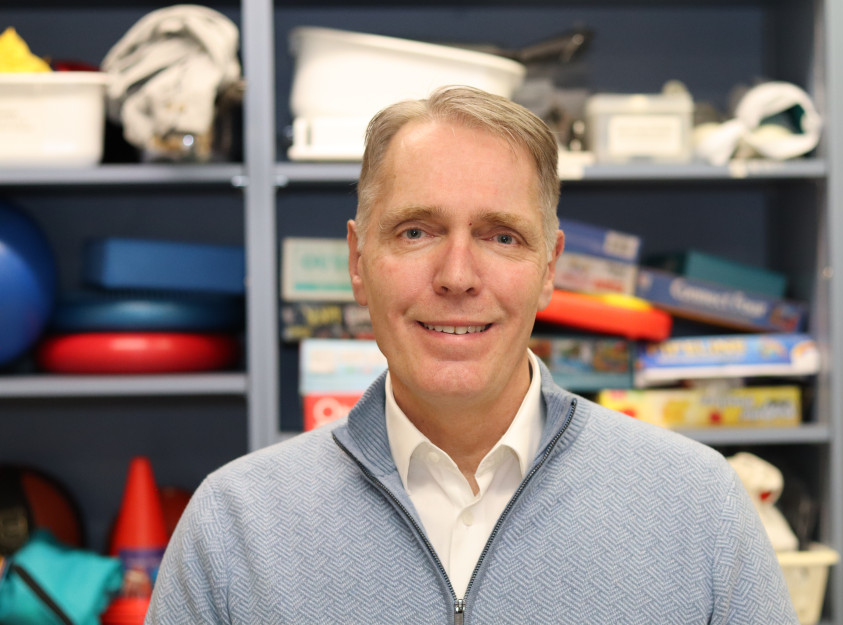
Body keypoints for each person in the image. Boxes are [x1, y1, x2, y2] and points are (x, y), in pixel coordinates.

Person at [145, 86, 799, 625]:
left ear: (549, 268)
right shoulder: (235, 529)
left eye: (501, 235)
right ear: (357, 260)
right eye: (416, 231)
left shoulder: (697, 508)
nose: (457, 275)